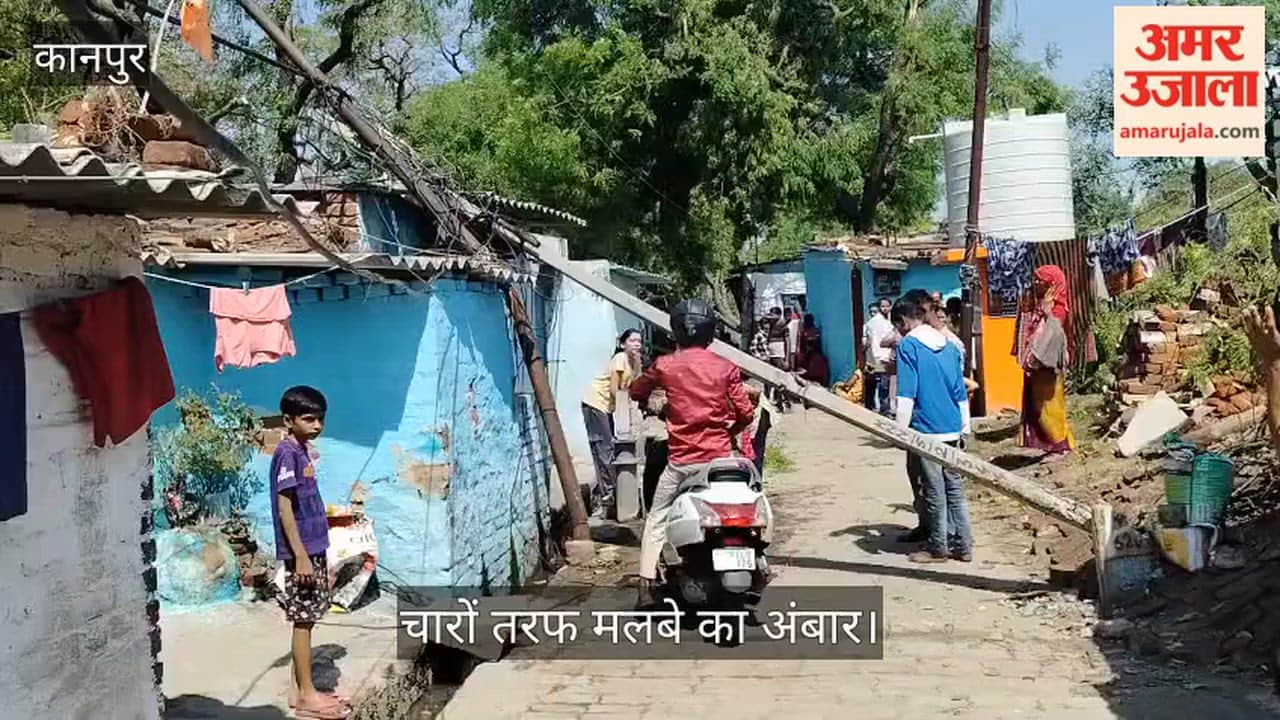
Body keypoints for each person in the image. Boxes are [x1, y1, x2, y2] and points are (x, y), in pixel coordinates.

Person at [630, 298, 754, 606]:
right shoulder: (726, 367)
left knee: (657, 517)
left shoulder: (665, 365)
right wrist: (728, 432)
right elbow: (746, 413)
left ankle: (646, 584)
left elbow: (635, 391)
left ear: (676, 332)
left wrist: (656, 401)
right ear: (711, 332)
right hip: (721, 459)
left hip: (682, 462)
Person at [270, 386, 350, 719]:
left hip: (313, 548)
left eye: (320, 419)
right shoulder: (287, 453)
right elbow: (285, 507)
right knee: (303, 622)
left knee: (307, 619)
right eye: (309, 419)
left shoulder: (301, 449)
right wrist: (300, 555)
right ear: (289, 420)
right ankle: (307, 695)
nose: (317, 425)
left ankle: (297, 690)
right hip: (302, 552)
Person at [893, 295, 973, 564]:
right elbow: (959, 390)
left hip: (926, 429)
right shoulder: (949, 346)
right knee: (955, 489)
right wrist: (965, 426)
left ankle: (938, 547)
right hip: (951, 425)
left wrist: (899, 430)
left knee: (934, 489)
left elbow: (907, 393)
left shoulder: (909, 346)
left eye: (899, 326)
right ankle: (963, 545)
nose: (900, 332)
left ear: (904, 321)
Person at [581, 329, 644, 518]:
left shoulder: (634, 363)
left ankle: (611, 494)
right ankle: (607, 496)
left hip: (607, 407)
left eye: (639, 341)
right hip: (596, 403)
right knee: (604, 449)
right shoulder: (620, 358)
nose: (637, 344)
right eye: (632, 341)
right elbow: (616, 389)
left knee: (610, 449)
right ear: (623, 344)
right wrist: (624, 417)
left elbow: (635, 388)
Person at [1018, 266, 1074, 459]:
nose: (1035, 284)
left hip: (1048, 366)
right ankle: (1051, 444)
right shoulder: (1040, 304)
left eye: (1040, 280)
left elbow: (1054, 333)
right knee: (1039, 406)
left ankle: (1061, 445)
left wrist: (1048, 313)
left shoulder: (1058, 307)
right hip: (1037, 366)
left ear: (1051, 283)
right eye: (1035, 280)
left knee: (1051, 406)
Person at [862, 299, 894, 416]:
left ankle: (879, 407)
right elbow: (868, 342)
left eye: (887, 306)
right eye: (882, 306)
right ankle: (880, 408)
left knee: (882, 384)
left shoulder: (889, 322)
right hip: (877, 357)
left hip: (880, 357)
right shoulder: (872, 324)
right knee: (879, 383)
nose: (884, 309)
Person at [739, 380, 776, 478]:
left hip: (755, 409)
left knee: (753, 452)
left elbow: (755, 394)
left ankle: (754, 482)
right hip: (749, 407)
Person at [765, 307, 792, 412]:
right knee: (770, 381)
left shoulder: (783, 326)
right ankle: (777, 402)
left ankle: (784, 402)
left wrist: (787, 359)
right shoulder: (770, 325)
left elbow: (788, 343)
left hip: (779, 356)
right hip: (771, 357)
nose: (771, 317)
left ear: (778, 315)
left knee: (780, 381)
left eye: (773, 315)